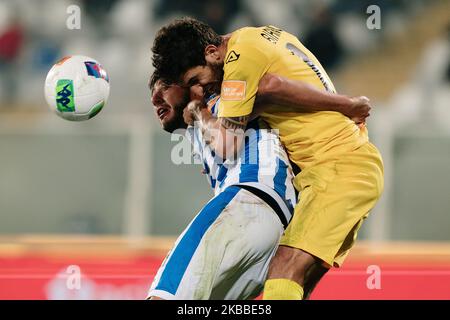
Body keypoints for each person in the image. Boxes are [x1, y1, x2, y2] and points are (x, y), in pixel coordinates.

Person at [151, 17, 384, 300]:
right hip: (331, 171)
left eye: (196, 80)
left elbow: (232, 140)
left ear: (212, 52)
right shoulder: (254, 39)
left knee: (285, 269)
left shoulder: (238, 60)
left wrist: (200, 111)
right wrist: (343, 104)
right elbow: (272, 88)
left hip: (338, 167)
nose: (205, 87)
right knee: (295, 283)